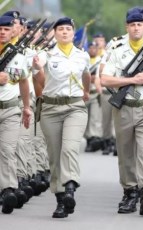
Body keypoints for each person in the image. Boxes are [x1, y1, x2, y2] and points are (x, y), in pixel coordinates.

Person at [101, 10, 143, 216]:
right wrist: (131, 81)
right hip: (124, 107)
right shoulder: (116, 48)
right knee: (125, 153)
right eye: (132, 25)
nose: (136, 28)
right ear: (127, 27)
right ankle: (129, 192)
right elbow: (105, 79)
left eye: (140, 24)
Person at [32, 17, 91, 218]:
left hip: (74, 107)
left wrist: (86, 91)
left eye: (68, 29)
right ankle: (60, 200)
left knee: (70, 147)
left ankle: (70, 188)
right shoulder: (46, 54)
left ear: (73, 33)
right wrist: (37, 65)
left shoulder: (82, 55)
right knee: (55, 155)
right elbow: (37, 74)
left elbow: (87, 75)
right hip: (51, 109)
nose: (64, 32)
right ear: (55, 34)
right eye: (60, 29)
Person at [0, 15, 32, 214]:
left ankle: (8, 189)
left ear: (13, 30)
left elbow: (23, 82)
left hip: (11, 109)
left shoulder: (18, 56)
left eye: (6, 28)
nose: (2, 31)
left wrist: (27, 107)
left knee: (7, 149)